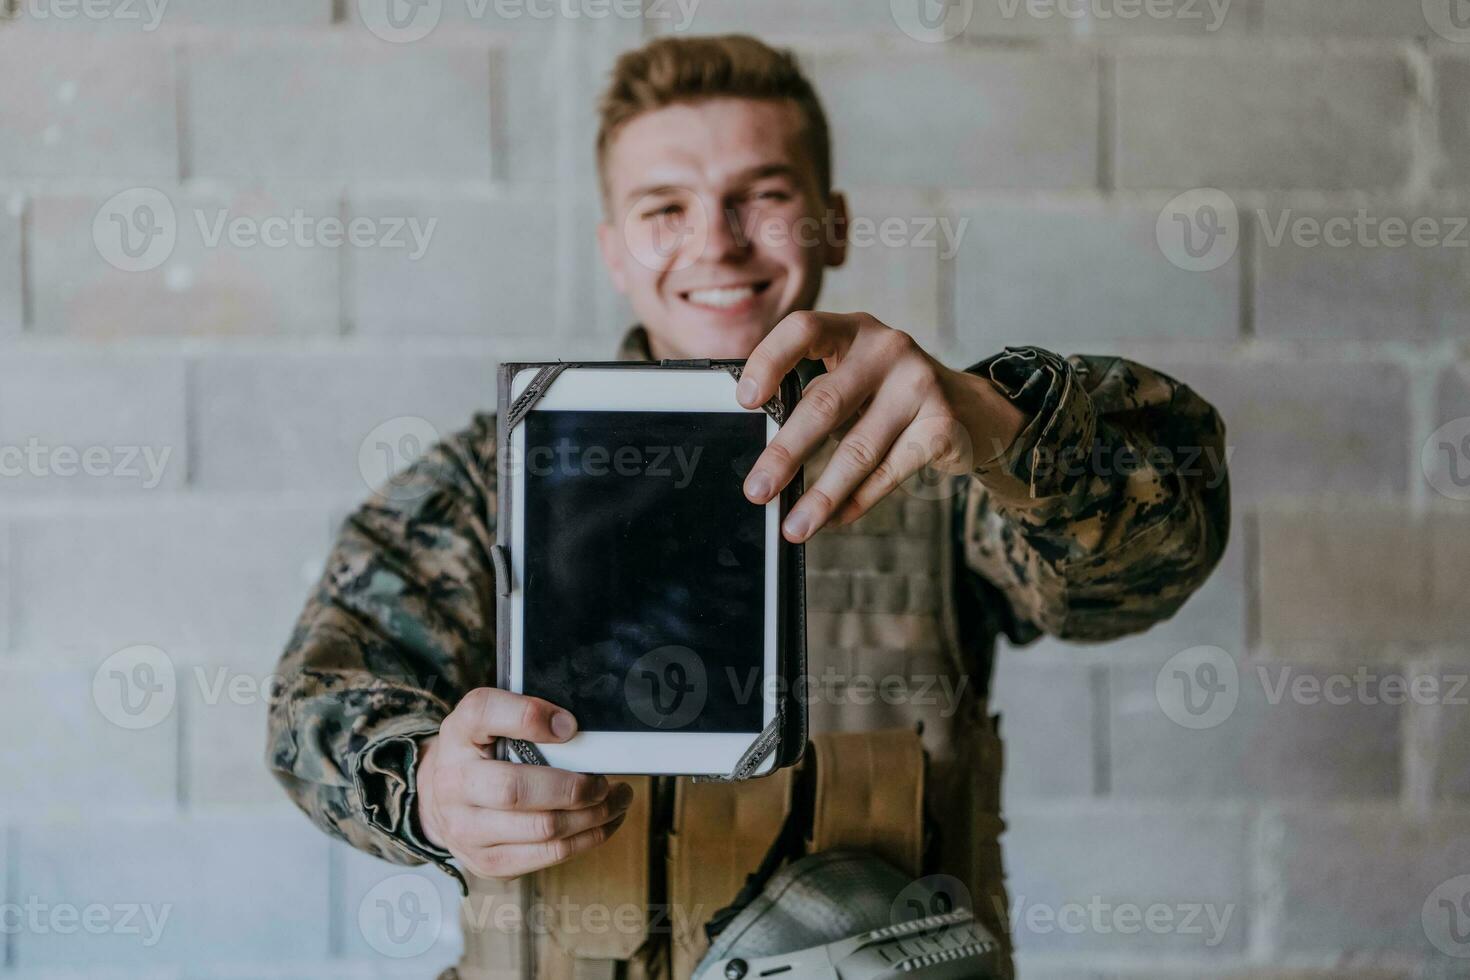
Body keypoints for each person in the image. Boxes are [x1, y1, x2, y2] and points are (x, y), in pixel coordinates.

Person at [266, 33, 1230, 980]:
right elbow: (320, 696)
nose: (716, 239)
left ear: (835, 222)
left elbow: (1145, 569)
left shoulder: (940, 457)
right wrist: (424, 787)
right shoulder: (495, 477)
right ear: (613, 250)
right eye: (664, 207)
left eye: (763, 196)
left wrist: (997, 422)